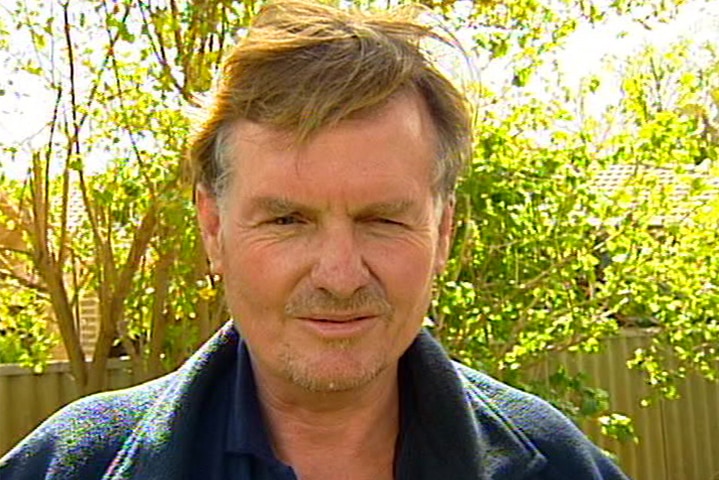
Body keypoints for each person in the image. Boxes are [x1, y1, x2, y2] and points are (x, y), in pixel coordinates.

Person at [0, 1, 630, 479]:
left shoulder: (557, 465)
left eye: (383, 219)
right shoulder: (71, 466)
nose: (339, 274)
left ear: (442, 235)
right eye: (287, 221)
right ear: (214, 230)